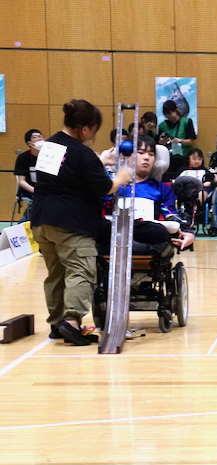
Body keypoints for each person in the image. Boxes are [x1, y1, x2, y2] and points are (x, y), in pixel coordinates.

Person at [31, 99, 133, 345]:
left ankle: (57, 325)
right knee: (80, 270)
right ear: (85, 128)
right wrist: (120, 177)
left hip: (42, 219)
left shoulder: (51, 145)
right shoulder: (82, 152)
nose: (92, 135)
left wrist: (99, 162)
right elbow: (104, 187)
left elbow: (67, 172)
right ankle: (72, 322)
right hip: (71, 222)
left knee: (56, 273)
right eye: (93, 130)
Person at [115, 135, 195, 251]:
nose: (146, 158)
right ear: (127, 155)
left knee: (160, 231)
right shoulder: (112, 185)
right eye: (141, 153)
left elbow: (171, 215)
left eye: (151, 154)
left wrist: (188, 233)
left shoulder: (162, 189)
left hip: (147, 234)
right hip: (115, 232)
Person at [157, 100, 196, 178]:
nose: (168, 116)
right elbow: (158, 143)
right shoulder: (162, 125)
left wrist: (180, 140)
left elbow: (190, 141)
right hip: (168, 159)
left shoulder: (186, 122)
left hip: (183, 159)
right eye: (166, 114)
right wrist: (161, 142)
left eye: (170, 113)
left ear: (175, 110)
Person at [13, 129, 44, 222]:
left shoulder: (50, 156)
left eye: (41, 136)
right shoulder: (23, 158)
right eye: (35, 137)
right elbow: (21, 181)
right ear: (29, 143)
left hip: (47, 189)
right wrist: (35, 190)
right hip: (30, 190)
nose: (39, 139)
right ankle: (24, 223)